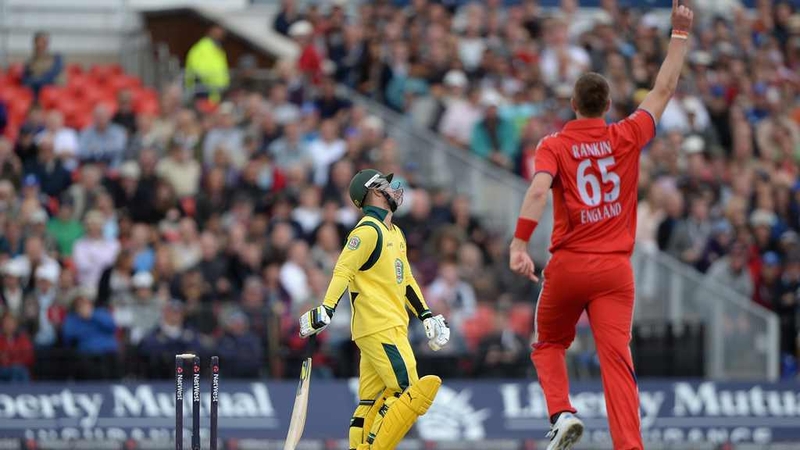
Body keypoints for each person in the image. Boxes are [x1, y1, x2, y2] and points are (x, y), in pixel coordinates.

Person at [508, 3, 693, 449]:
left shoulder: (554, 144)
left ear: (573, 105)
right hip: (615, 271)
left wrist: (519, 244)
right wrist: (680, 34)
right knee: (617, 361)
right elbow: (665, 88)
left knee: (548, 343)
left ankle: (562, 412)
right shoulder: (626, 135)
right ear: (608, 106)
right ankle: (630, 446)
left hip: (569, 264)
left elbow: (537, 192)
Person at [298, 169, 451, 450]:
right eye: (386, 185)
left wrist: (426, 314)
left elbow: (405, 280)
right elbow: (343, 269)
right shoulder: (367, 231)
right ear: (372, 192)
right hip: (380, 326)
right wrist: (326, 310)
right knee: (407, 390)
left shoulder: (395, 233)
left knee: (370, 400)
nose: (394, 189)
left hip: (387, 326)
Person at [185, 25, 230, 102]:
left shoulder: (219, 50)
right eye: (217, 32)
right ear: (211, 31)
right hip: (203, 92)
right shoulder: (201, 48)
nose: (219, 36)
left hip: (217, 93)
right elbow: (198, 70)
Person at [22, 31, 63, 98]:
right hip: (35, 94)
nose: (40, 44)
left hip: (52, 93)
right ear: (35, 43)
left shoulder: (56, 58)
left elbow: (51, 77)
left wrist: (36, 80)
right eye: (39, 41)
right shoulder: (29, 62)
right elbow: (25, 80)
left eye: (44, 42)